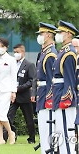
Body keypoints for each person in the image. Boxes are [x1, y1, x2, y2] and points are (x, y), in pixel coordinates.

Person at [52, 20, 78, 154]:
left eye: (61, 32)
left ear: (68, 34)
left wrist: (65, 98)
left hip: (63, 97)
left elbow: (69, 79)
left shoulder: (69, 53)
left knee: (66, 132)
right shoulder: (63, 51)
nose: (58, 34)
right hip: (58, 93)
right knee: (60, 131)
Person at [35, 22, 58, 153]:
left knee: (48, 131)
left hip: (47, 96)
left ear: (48, 35)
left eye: (41, 33)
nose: (39, 36)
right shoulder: (45, 52)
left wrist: (50, 99)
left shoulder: (50, 54)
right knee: (43, 130)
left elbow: (51, 80)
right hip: (42, 94)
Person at [7, 44, 36, 144]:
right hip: (13, 97)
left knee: (29, 119)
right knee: (8, 116)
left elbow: (31, 80)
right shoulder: (12, 64)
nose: (16, 54)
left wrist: (19, 88)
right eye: (14, 52)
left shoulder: (29, 65)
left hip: (24, 96)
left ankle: (31, 138)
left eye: (18, 52)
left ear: (23, 52)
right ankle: (13, 133)